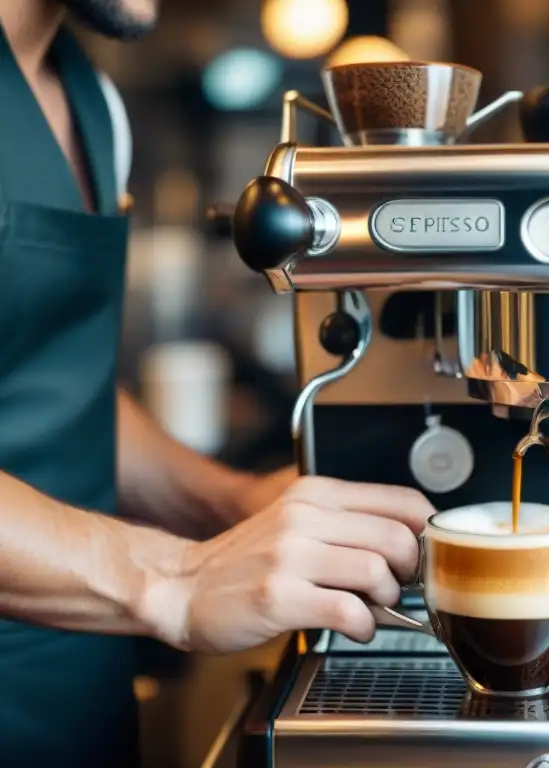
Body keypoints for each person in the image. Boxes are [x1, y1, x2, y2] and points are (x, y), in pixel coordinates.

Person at [0, 1, 435, 765]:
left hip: (76, 686)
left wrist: (228, 503)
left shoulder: (92, 103)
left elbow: (58, 381)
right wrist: (177, 578)